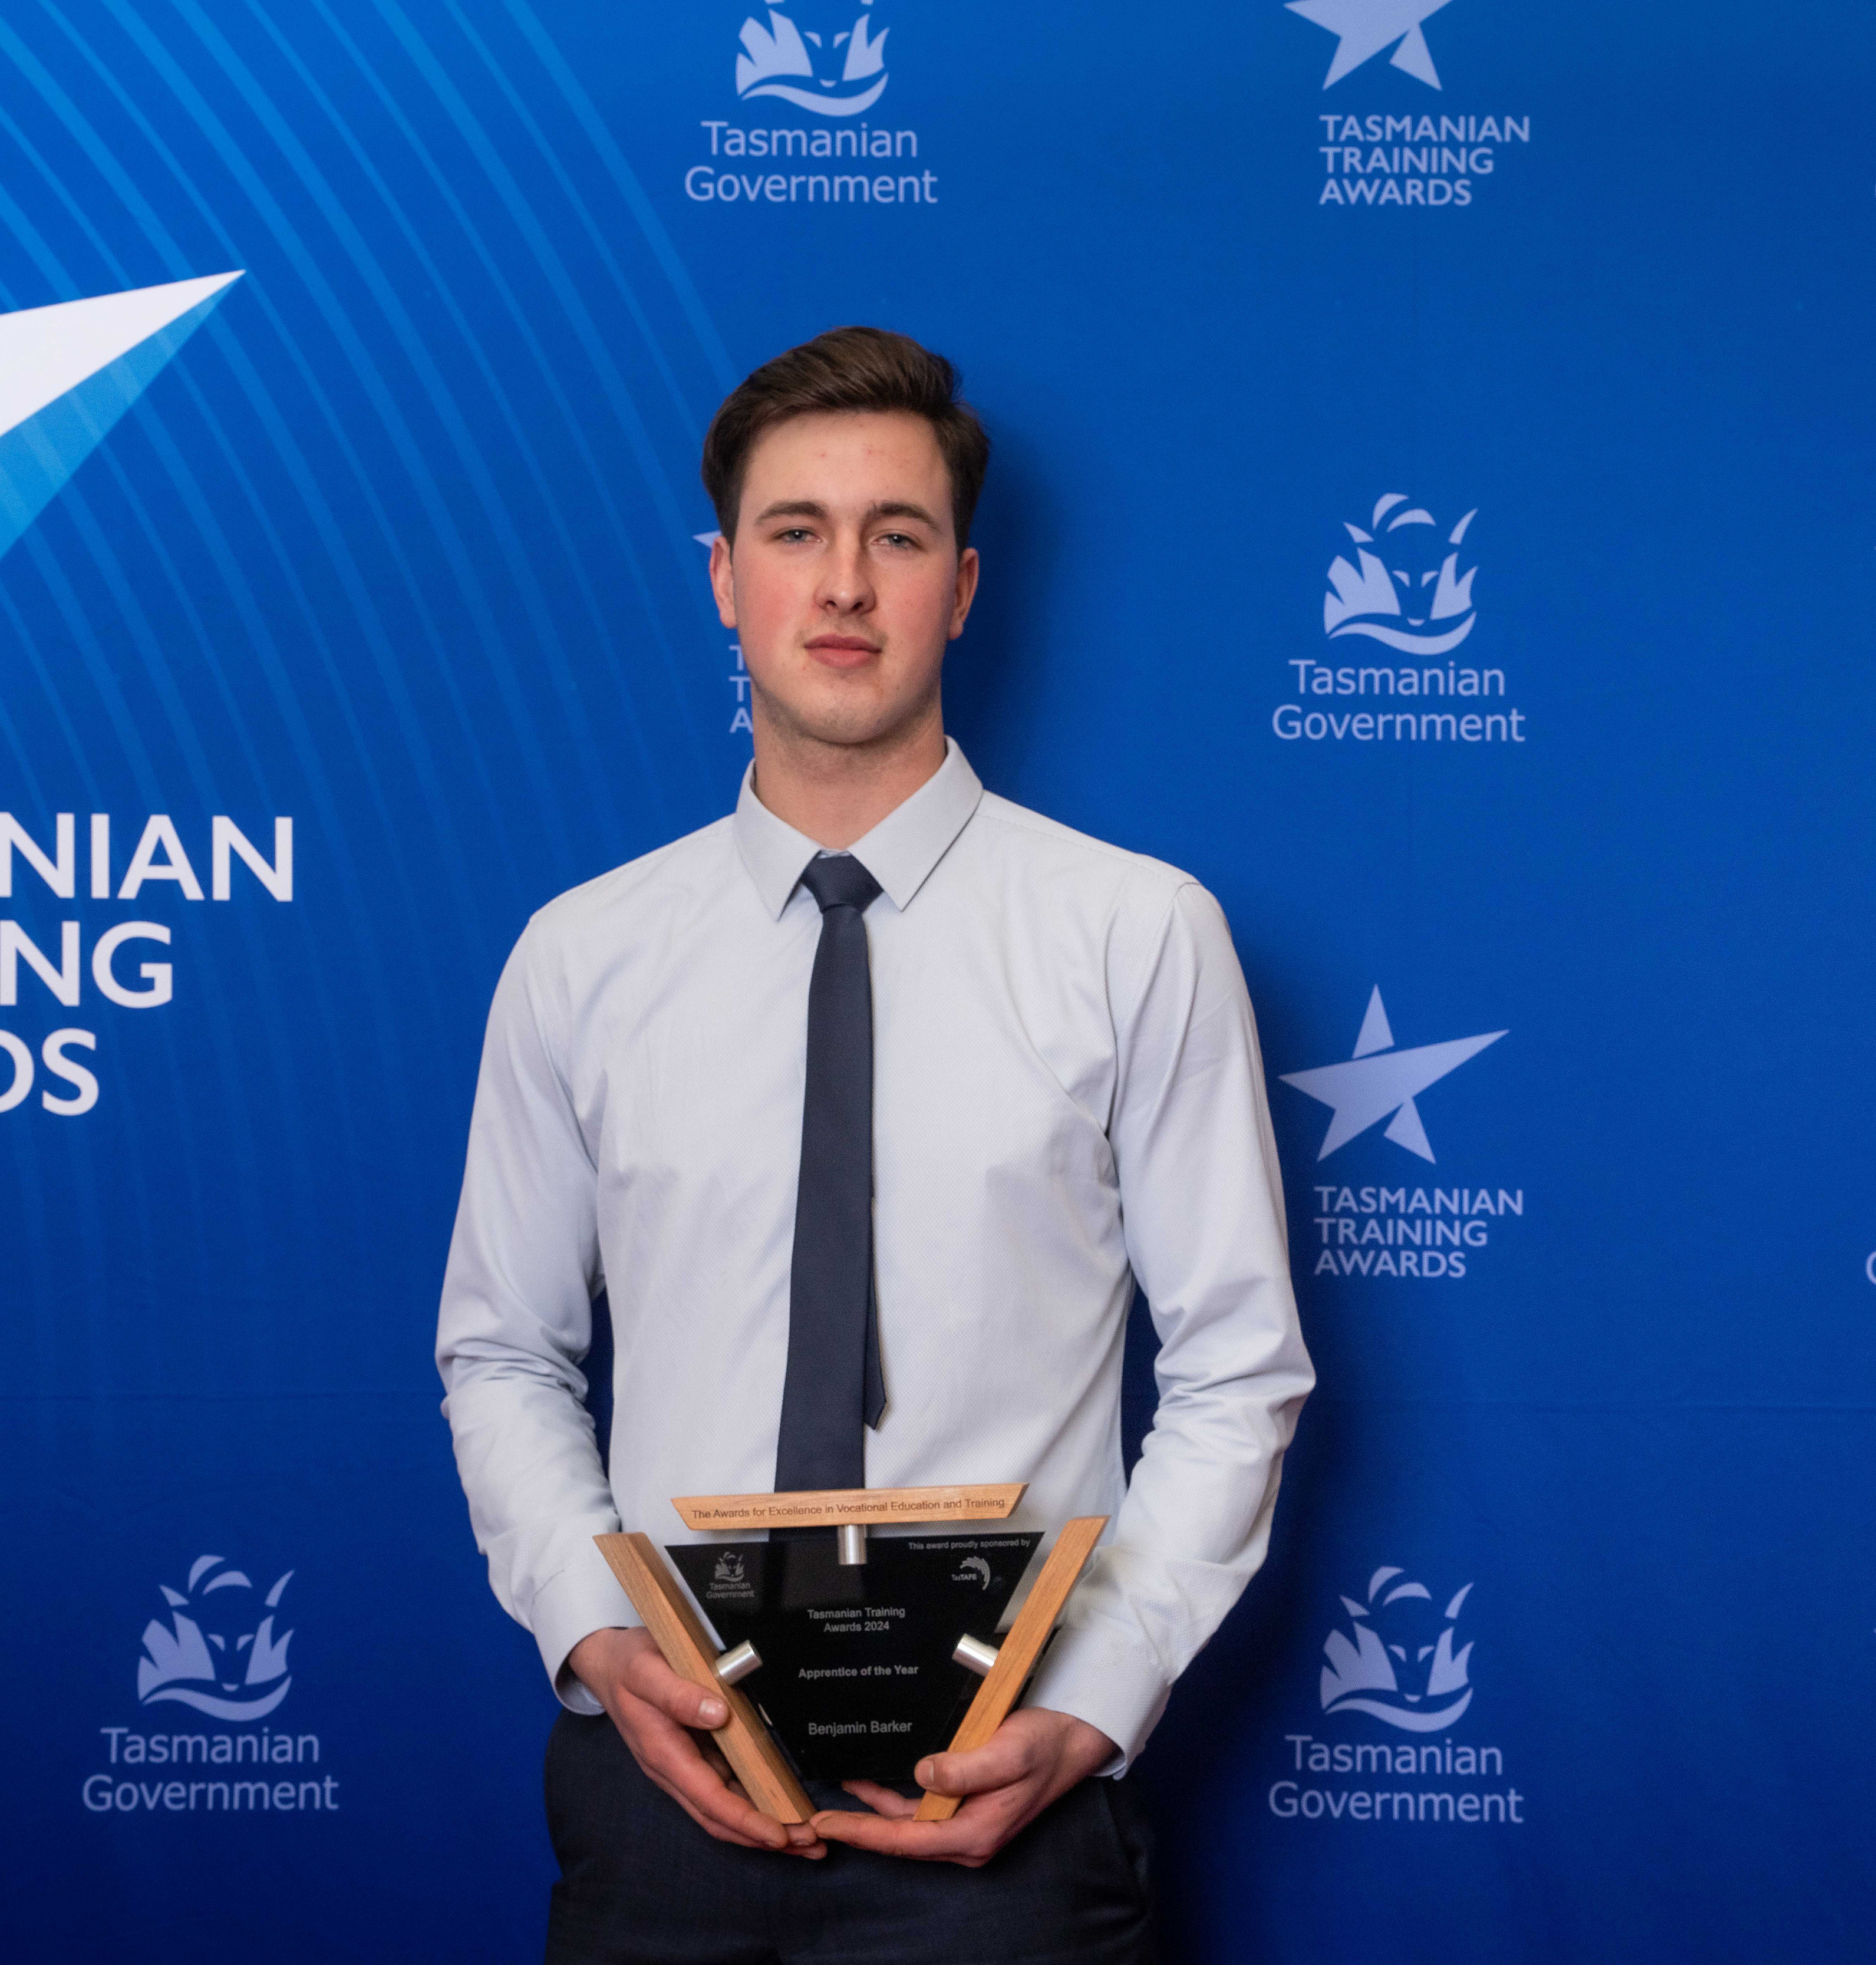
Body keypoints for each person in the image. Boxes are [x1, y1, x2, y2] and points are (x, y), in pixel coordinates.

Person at [436, 327, 1312, 1962]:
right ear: (723, 578)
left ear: (964, 588)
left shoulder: (1136, 933)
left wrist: (1098, 1701)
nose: (845, 583)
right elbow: (503, 1353)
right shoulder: (582, 955)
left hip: (1007, 1800)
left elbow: (1238, 1368)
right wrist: (595, 1628)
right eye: (797, 532)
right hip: (664, 1789)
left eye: (895, 536)